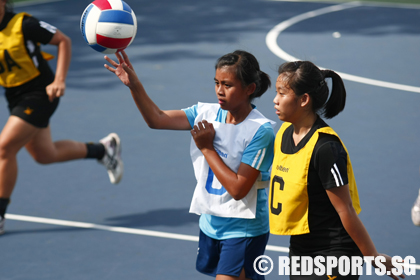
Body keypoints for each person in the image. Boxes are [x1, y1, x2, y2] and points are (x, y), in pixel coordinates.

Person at [104, 50, 275, 280]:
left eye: (228, 85)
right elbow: (157, 118)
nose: (219, 91)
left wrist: (207, 148)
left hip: (243, 228)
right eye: (216, 83)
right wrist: (134, 85)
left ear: (250, 89)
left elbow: (238, 189)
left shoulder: (260, 131)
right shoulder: (205, 113)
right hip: (211, 222)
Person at [269, 61, 405, 279]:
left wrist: (373, 256)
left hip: (333, 254)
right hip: (300, 249)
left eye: (282, 93)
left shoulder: (326, 148)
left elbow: (346, 210)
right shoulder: (285, 133)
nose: (275, 100)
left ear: (304, 100)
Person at [0, 0, 123, 235]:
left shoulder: (24, 24)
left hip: (41, 93)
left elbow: (63, 41)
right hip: (14, 97)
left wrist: (60, 79)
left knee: (4, 148)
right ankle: (103, 150)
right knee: (45, 155)